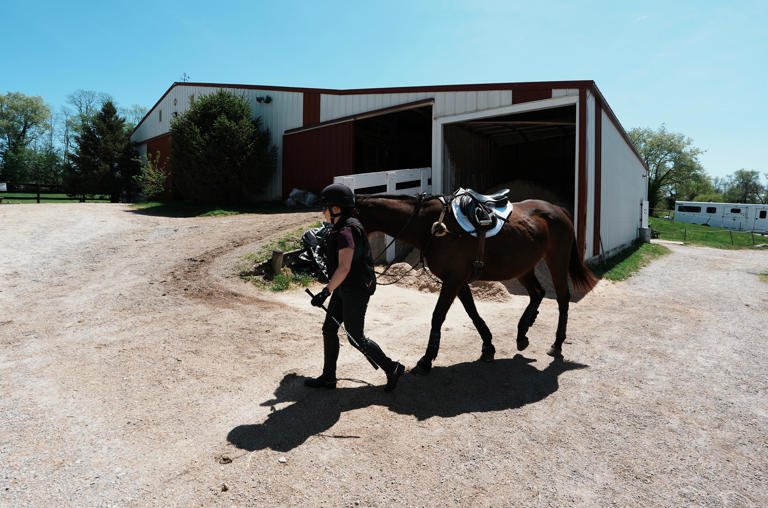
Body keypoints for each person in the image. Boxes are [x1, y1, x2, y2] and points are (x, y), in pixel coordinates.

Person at [306, 183, 405, 392]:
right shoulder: (343, 226)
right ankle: (328, 377)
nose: (323, 212)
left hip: (355, 289)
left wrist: (325, 292)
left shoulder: (346, 231)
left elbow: (344, 267)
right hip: (345, 287)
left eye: (325, 208)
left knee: (355, 337)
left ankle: (392, 368)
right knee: (329, 329)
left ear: (336, 208)